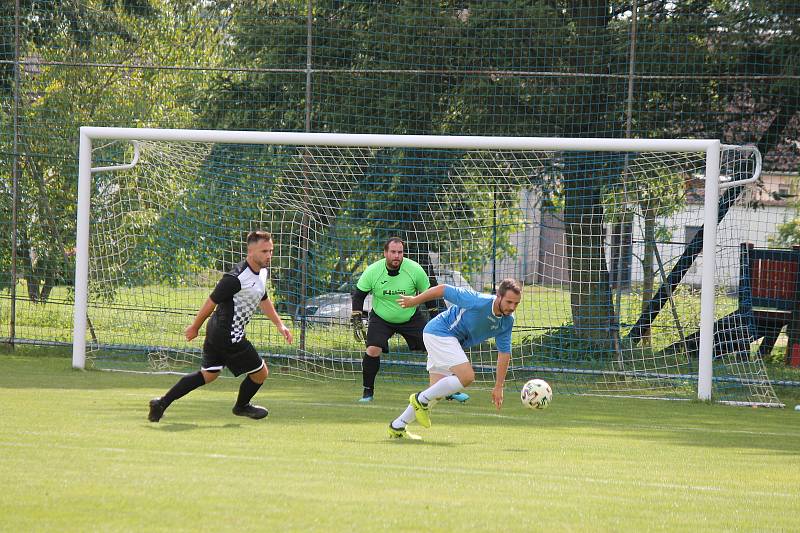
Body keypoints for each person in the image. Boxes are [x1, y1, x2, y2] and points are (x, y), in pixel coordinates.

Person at [148, 230, 293, 422]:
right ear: (250, 252)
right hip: (228, 334)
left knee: (208, 375)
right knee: (261, 373)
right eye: (264, 251)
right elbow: (211, 302)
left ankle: (161, 403)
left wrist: (280, 325)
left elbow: (263, 298)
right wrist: (194, 327)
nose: (269, 255)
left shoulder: (263, 273)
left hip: (218, 331)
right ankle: (242, 406)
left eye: (271, 251)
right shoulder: (235, 278)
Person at [387, 278, 522, 439]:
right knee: (466, 377)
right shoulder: (478, 301)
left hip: (448, 340)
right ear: (498, 296)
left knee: (435, 393)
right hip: (440, 332)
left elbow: (504, 353)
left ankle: (397, 426)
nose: (512, 307)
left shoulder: (507, 322)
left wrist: (499, 385)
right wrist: (414, 301)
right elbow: (443, 289)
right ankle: (419, 399)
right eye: (509, 302)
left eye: (516, 304)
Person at [351, 237, 469, 404]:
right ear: (385, 253)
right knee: (373, 349)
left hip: (410, 317)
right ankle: (367, 392)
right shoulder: (373, 271)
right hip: (381, 318)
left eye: (400, 252)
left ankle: (448, 390)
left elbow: (429, 296)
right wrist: (356, 314)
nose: (396, 256)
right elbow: (359, 294)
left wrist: (437, 318)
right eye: (393, 252)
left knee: (435, 346)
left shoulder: (414, 269)